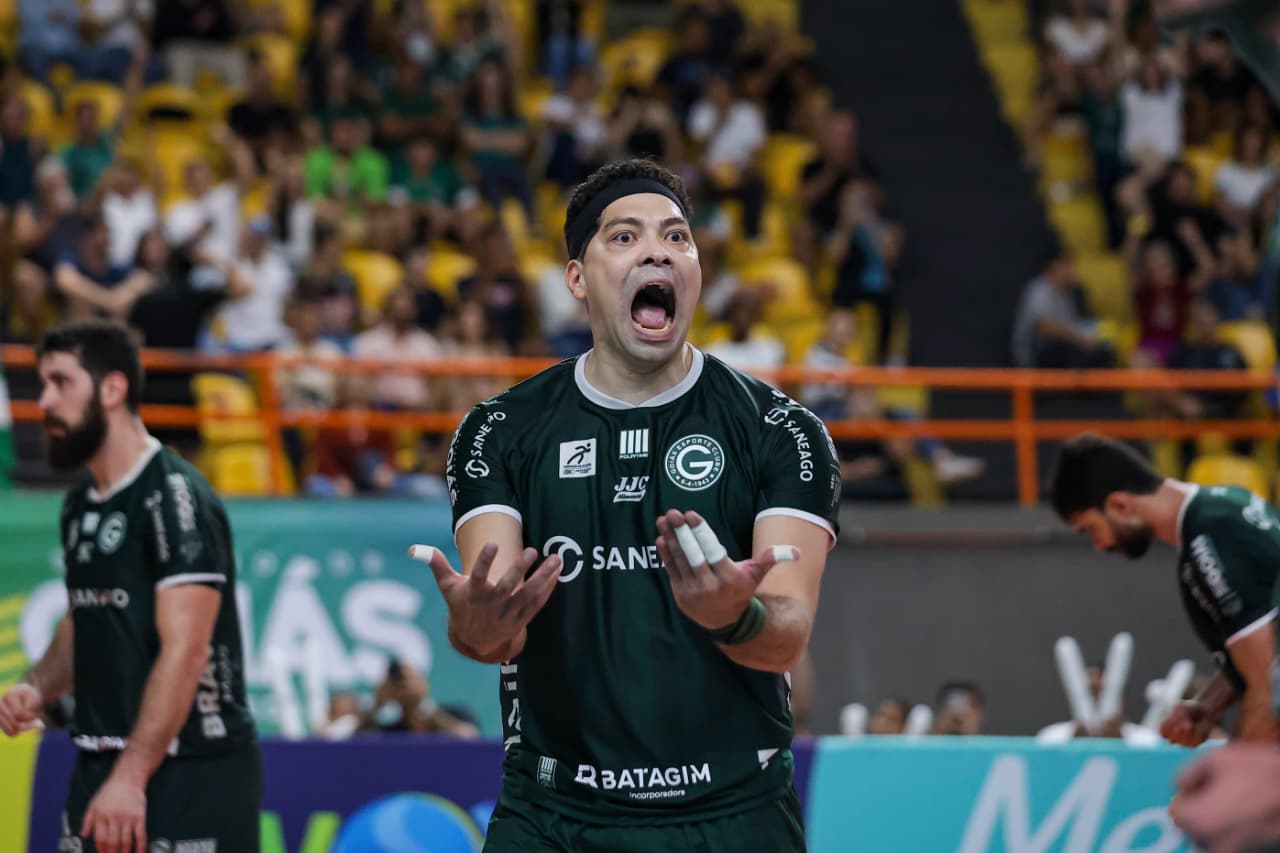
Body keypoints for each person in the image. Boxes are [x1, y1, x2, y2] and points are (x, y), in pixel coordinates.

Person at [423, 159, 840, 851]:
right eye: (625, 236)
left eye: (677, 237)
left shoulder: (782, 430)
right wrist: (473, 622)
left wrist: (735, 615)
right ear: (577, 280)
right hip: (553, 815)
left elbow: (787, 633)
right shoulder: (501, 431)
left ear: (697, 270)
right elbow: (493, 632)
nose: (658, 251)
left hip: (734, 814)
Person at [0, 320, 260, 851]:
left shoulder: (174, 496)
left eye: (60, 382)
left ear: (112, 389)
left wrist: (132, 775)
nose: (44, 402)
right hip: (101, 762)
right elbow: (87, 615)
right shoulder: (81, 502)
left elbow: (186, 650)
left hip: (189, 769)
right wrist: (38, 686)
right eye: (43, 384)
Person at [1048, 433, 1278, 745]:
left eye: (1091, 529)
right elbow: (1262, 651)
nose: (1098, 545)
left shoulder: (1210, 538)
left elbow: (1268, 686)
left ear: (1119, 505)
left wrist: (1231, 774)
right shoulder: (1223, 506)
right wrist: (1209, 705)